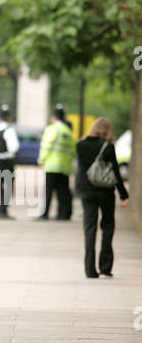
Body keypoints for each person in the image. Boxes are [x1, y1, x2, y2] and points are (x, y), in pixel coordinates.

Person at [76, 117, 129, 278]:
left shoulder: (80, 145)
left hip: (87, 191)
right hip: (105, 191)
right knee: (107, 226)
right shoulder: (108, 147)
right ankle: (105, 266)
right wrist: (123, 193)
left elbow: (81, 169)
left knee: (89, 227)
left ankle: (90, 270)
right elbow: (115, 173)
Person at [35, 105, 76, 221]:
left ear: (53, 117)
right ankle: (62, 214)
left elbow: (46, 145)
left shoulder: (52, 129)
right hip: (64, 167)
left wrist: (41, 159)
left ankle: (44, 214)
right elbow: (73, 149)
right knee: (62, 192)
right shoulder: (67, 131)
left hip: (51, 166)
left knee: (48, 191)